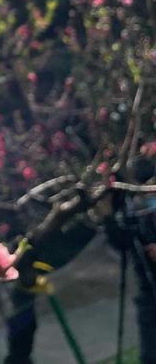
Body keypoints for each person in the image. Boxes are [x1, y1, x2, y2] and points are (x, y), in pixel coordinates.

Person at [107, 156, 156, 364]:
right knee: (150, 355)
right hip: (149, 293)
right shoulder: (133, 209)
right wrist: (108, 216)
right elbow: (122, 241)